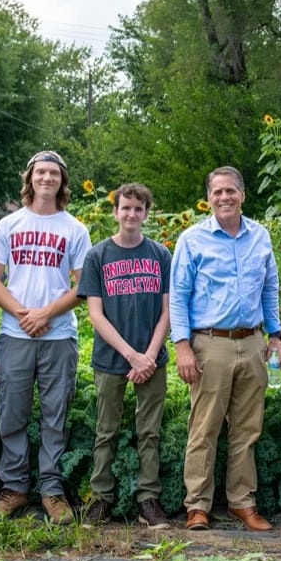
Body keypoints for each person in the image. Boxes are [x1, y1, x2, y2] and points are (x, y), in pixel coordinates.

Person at [0, 150, 91, 524]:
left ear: (62, 181)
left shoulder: (74, 229)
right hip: (15, 334)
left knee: (54, 415)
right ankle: (13, 488)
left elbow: (83, 285)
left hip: (59, 336)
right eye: (40, 172)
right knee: (12, 412)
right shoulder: (9, 224)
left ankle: (51, 490)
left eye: (54, 173)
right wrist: (22, 313)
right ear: (29, 178)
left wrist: (46, 313)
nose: (47, 178)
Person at [170, 166, 281, 531]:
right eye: (217, 192)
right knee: (204, 428)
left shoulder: (260, 236)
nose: (224, 197)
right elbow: (179, 296)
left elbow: (270, 288)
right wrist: (182, 346)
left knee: (247, 429)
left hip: (252, 343)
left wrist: (275, 335)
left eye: (231, 190)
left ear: (242, 194)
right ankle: (197, 506)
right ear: (208, 198)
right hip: (210, 344)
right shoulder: (192, 239)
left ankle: (242, 502)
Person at [75, 182, 172, 529]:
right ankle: (101, 498)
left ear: (146, 213)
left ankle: (148, 499)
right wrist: (132, 355)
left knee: (149, 432)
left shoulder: (160, 254)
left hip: (152, 359)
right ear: (115, 211)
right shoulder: (98, 256)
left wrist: (149, 355)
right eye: (125, 208)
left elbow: (167, 311)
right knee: (106, 430)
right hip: (112, 358)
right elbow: (95, 314)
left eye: (138, 208)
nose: (131, 214)